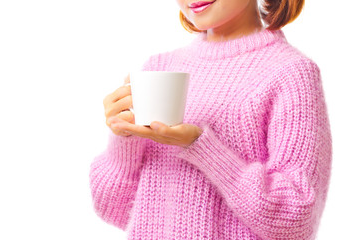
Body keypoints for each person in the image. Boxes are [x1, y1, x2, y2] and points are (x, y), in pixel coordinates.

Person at [89, 0, 332, 239]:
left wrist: (201, 147)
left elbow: (296, 219)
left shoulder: (290, 73)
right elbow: (114, 210)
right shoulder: (159, 67)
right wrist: (124, 137)